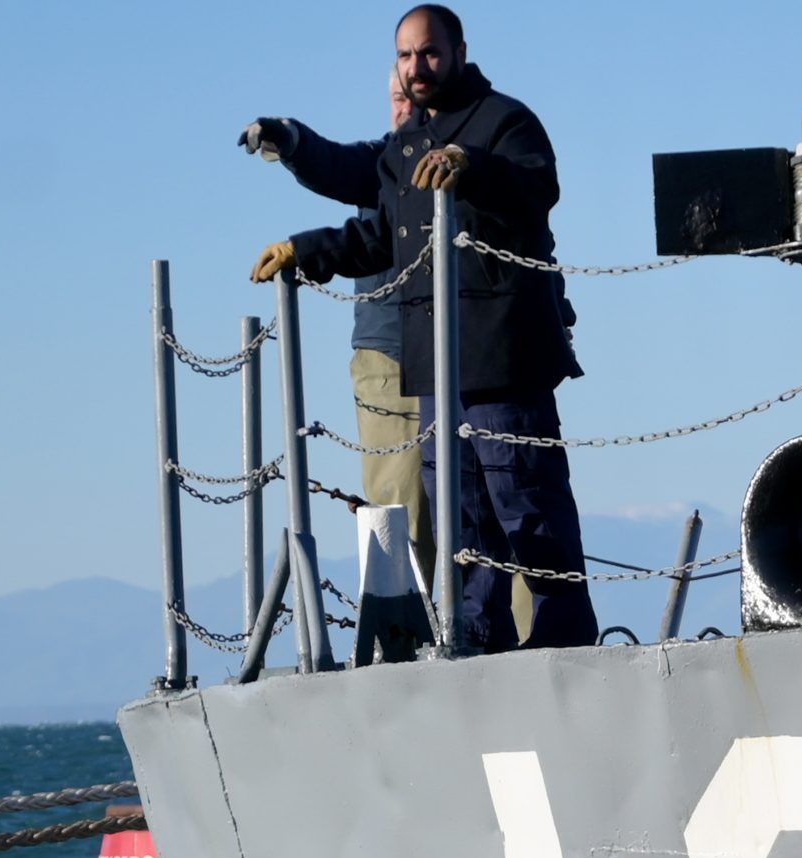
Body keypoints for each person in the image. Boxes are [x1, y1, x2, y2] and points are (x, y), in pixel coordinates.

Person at [250, 4, 595, 652]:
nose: (417, 67)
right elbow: (379, 237)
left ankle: (565, 639)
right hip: (433, 361)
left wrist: (471, 165)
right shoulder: (405, 146)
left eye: (429, 52)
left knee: (526, 500)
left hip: (502, 357)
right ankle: (477, 638)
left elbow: (537, 185)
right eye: (406, 56)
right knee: (461, 517)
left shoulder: (506, 120)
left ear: (459, 50)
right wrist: (306, 249)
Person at [242, 71, 432, 584]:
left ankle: (523, 628)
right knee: (401, 518)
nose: (406, 107)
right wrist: (290, 138)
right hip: (391, 359)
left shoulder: (479, 155)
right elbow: (333, 163)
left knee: (493, 515)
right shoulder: (383, 162)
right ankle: (401, 626)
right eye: (397, 97)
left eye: (414, 96)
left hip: (477, 357)